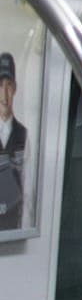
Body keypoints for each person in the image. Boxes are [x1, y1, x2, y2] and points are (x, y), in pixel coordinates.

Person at [0, 52, 27, 231]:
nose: (4, 93)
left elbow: (28, 186)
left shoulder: (23, 134)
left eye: (8, 85)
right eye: (0, 85)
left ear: (15, 88)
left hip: (13, 228)